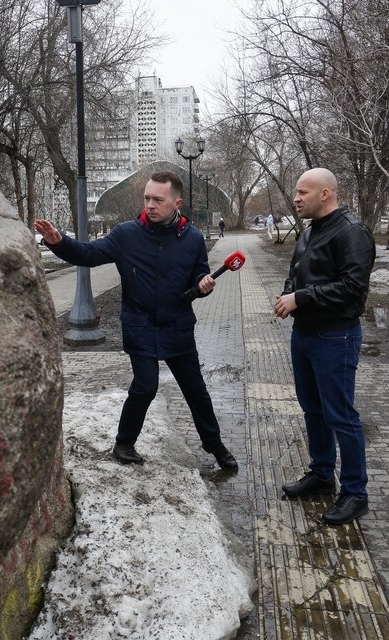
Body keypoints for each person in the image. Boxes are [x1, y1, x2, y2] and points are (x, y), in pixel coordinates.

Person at [34, 171, 237, 470]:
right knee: (145, 386)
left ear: (176, 202)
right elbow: (89, 254)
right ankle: (124, 443)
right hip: (140, 325)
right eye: (147, 198)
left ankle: (214, 445)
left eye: (158, 199)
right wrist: (59, 242)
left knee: (196, 391)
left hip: (177, 326)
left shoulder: (192, 237)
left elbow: (199, 275)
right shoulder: (126, 234)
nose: (150, 205)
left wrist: (203, 286)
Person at [273, 168, 375, 525]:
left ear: (326, 194)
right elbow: (297, 271)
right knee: (312, 410)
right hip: (305, 335)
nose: (297, 198)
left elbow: (353, 289)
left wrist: (301, 297)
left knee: (340, 415)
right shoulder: (310, 231)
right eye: (297, 193)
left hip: (336, 336)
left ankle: (355, 493)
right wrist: (289, 294)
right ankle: (321, 474)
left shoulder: (352, 232)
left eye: (303, 192)